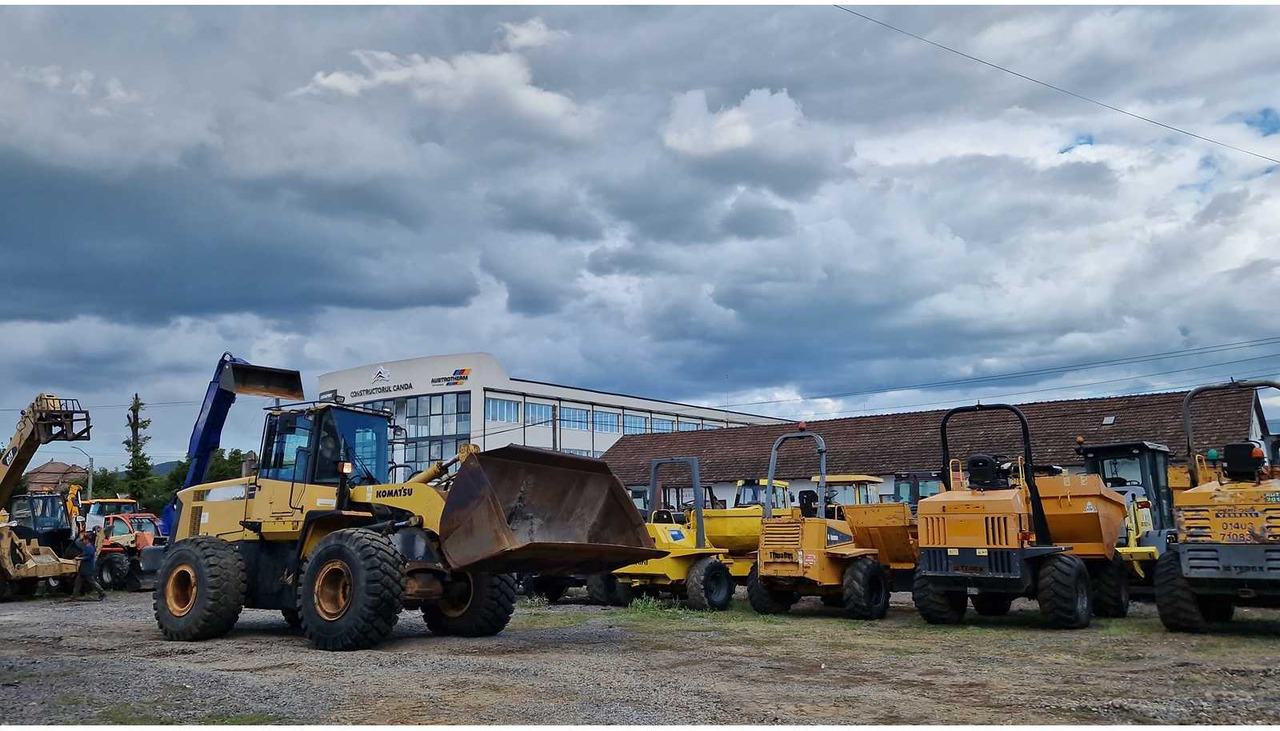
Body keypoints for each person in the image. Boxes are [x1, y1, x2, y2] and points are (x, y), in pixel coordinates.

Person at [72, 528, 106, 601]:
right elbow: (84, 554)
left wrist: (80, 558)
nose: (83, 541)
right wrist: (79, 556)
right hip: (83, 569)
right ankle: (74, 596)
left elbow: (88, 557)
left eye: (84, 540)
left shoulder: (90, 548)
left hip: (88, 569)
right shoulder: (86, 548)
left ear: (87, 540)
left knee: (92, 582)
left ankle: (102, 592)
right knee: (77, 583)